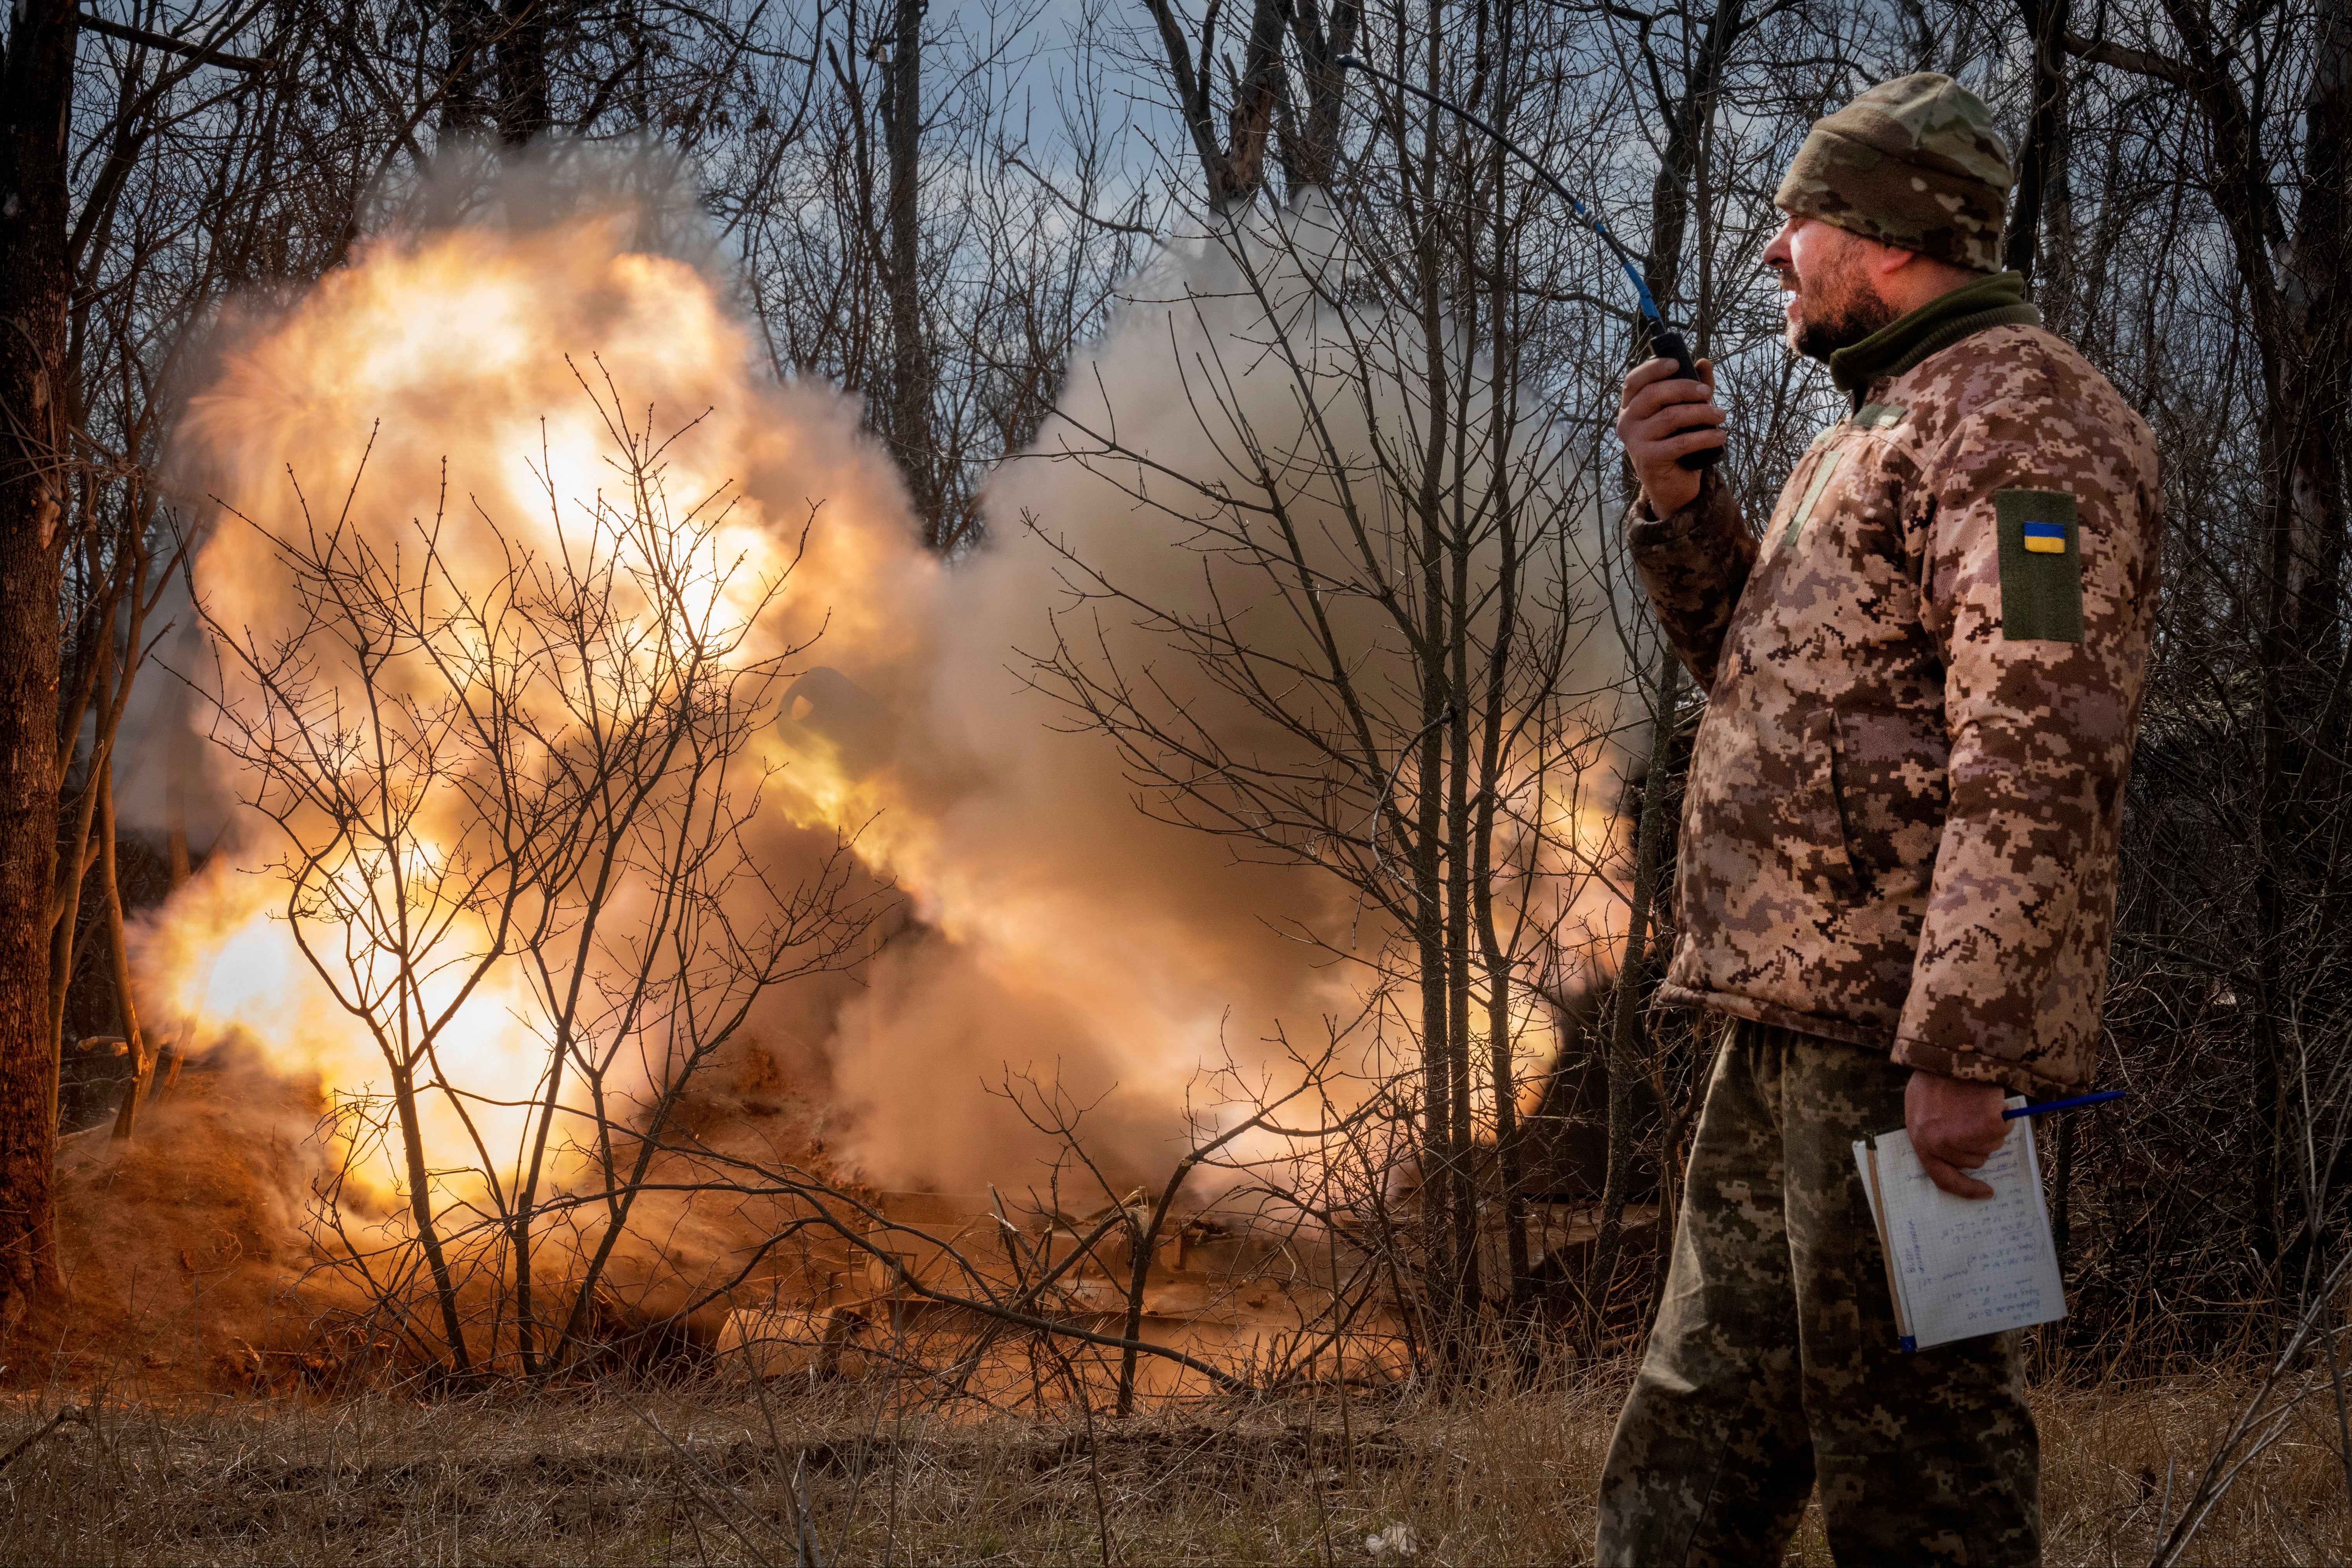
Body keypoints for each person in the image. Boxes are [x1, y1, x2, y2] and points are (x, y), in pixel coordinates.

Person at [1597, 73, 2161, 1566]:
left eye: (1798, 224)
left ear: (1889, 235)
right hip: (1783, 1022)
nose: (1776, 255)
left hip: (1899, 1045)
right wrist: (1679, 505)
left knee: (1921, 1477)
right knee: (1696, 1439)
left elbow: (2042, 744)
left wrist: (1967, 1046)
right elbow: (1765, 683)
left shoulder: (2025, 427)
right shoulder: (1878, 426)